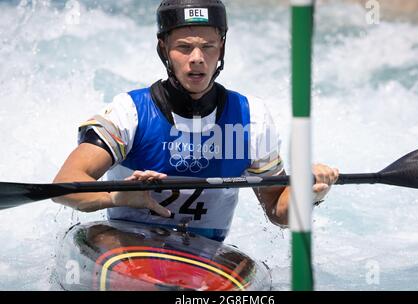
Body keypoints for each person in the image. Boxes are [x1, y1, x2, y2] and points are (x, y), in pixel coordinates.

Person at [53, 0, 339, 242]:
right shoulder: (128, 113)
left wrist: (309, 193)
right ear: (164, 49)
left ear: (222, 49)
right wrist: (117, 197)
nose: (197, 58)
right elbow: (64, 186)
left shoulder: (252, 117)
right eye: (184, 47)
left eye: (208, 46)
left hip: (204, 258)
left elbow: (278, 211)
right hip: (128, 246)